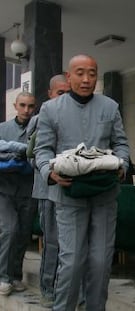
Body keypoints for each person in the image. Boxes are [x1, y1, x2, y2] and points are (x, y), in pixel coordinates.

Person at [34, 54, 130, 311]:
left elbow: (121, 144)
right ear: (69, 76)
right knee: (72, 260)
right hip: (68, 196)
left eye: (92, 73)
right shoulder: (50, 109)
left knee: (100, 261)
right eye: (80, 73)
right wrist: (49, 172)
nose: (86, 79)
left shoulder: (110, 106)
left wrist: (122, 163)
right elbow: (42, 150)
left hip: (105, 195)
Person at [26, 74, 72, 308]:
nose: (65, 97)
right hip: (48, 191)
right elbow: (32, 155)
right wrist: (51, 170)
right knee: (53, 243)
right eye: (60, 93)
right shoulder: (41, 117)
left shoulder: (75, 115)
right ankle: (47, 289)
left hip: (72, 192)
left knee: (72, 246)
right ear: (51, 94)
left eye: (68, 92)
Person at [0, 91, 36, 296]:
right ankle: (3, 276)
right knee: (9, 230)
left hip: (28, 189)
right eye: (22, 105)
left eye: (30, 106)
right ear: (15, 105)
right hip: (4, 189)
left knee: (23, 233)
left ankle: (15, 274)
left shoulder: (38, 128)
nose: (26, 110)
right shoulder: (2, 129)